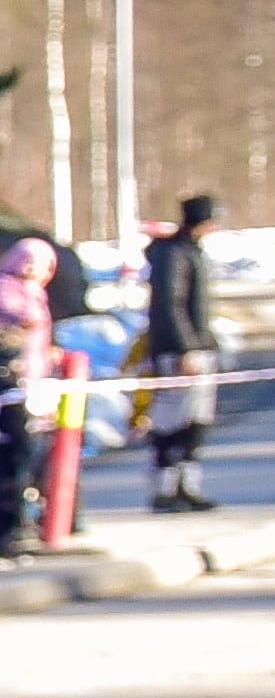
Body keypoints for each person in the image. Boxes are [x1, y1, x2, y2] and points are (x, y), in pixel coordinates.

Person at [0, 234, 61, 564]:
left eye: (44, 263)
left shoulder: (37, 293)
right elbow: (11, 315)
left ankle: (21, 528)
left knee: (28, 459)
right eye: (30, 260)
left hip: (31, 386)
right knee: (2, 460)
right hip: (0, 386)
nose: (35, 269)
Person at [136, 195, 220, 513]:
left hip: (199, 347)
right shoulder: (173, 254)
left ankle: (188, 487)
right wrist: (184, 346)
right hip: (178, 352)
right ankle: (165, 490)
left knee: (196, 423)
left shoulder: (191, 252)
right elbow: (170, 304)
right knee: (172, 422)